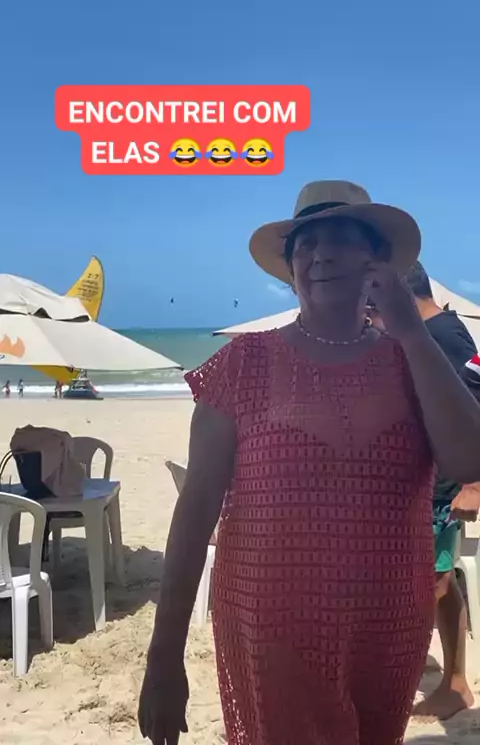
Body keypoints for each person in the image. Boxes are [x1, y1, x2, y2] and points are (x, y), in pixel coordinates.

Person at [139, 180, 480, 745]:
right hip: (272, 625)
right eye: (305, 243)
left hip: (391, 626)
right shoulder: (242, 365)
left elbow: (469, 458)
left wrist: (413, 335)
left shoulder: (413, 361)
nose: (320, 254)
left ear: (377, 259)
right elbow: (194, 515)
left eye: (341, 238)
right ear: (291, 267)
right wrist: (164, 657)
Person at [403, 262, 479, 720]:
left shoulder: (446, 335)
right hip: (429, 481)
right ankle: (453, 682)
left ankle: (453, 684)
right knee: (438, 581)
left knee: (429, 584)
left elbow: (475, 407)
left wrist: (473, 483)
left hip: (444, 485)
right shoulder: (427, 333)